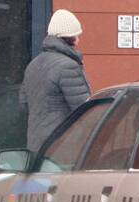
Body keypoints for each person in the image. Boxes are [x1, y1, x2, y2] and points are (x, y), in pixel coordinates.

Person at [20, 8, 91, 152]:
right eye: (77, 35)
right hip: (61, 147)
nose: (79, 39)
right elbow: (84, 111)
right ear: (69, 37)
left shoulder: (33, 65)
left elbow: (24, 105)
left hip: (35, 145)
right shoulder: (68, 66)